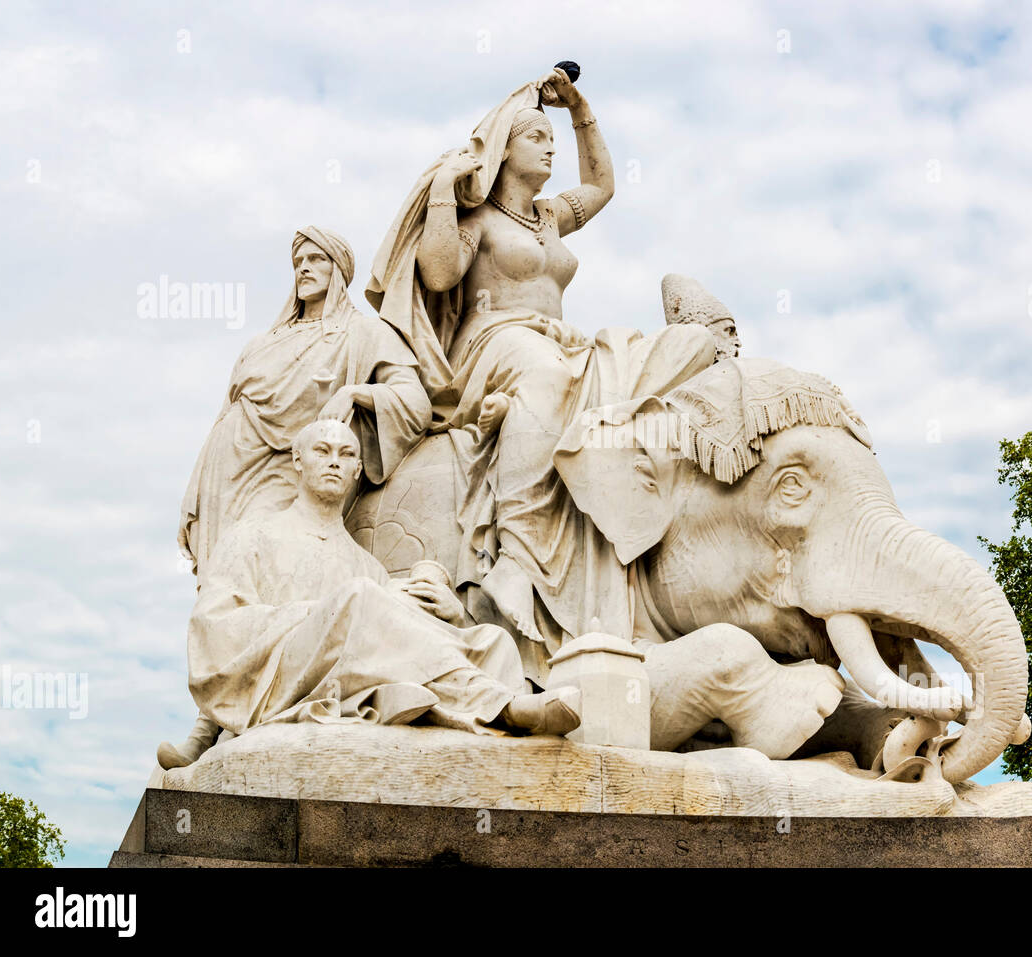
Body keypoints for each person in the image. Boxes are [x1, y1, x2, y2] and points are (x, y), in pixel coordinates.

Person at [367, 69, 717, 665]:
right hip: (494, 345)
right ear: (505, 150)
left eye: (552, 137)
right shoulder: (479, 223)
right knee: (548, 377)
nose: (550, 145)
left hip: (559, 342)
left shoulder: (551, 217)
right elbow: (439, 275)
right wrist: (446, 196)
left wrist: (579, 106)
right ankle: (518, 559)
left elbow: (603, 185)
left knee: (687, 348)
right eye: (536, 136)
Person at [164, 227, 433, 767]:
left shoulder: (361, 334)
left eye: (317, 259)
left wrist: (356, 393)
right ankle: (214, 714)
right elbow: (227, 411)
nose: (305, 268)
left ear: (339, 270)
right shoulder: (263, 342)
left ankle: (219, 724)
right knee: (225, 587)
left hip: (295, 473)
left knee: (278, 586)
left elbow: (414, 401)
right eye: (298, 261)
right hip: (230, 467)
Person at [184, 419, 581, 741]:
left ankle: (501, 717)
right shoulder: (252, 535)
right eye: (322, 451)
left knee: (492, 642)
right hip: (279, 676)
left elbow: (398, 638)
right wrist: (323, 616)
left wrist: (452, 617)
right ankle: (499, 706)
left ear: (357, 469)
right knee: (359, 600)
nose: (334, 461)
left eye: (346, 454)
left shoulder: (366, 566)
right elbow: (214, 629)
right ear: (298, 461)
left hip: (356, 676)